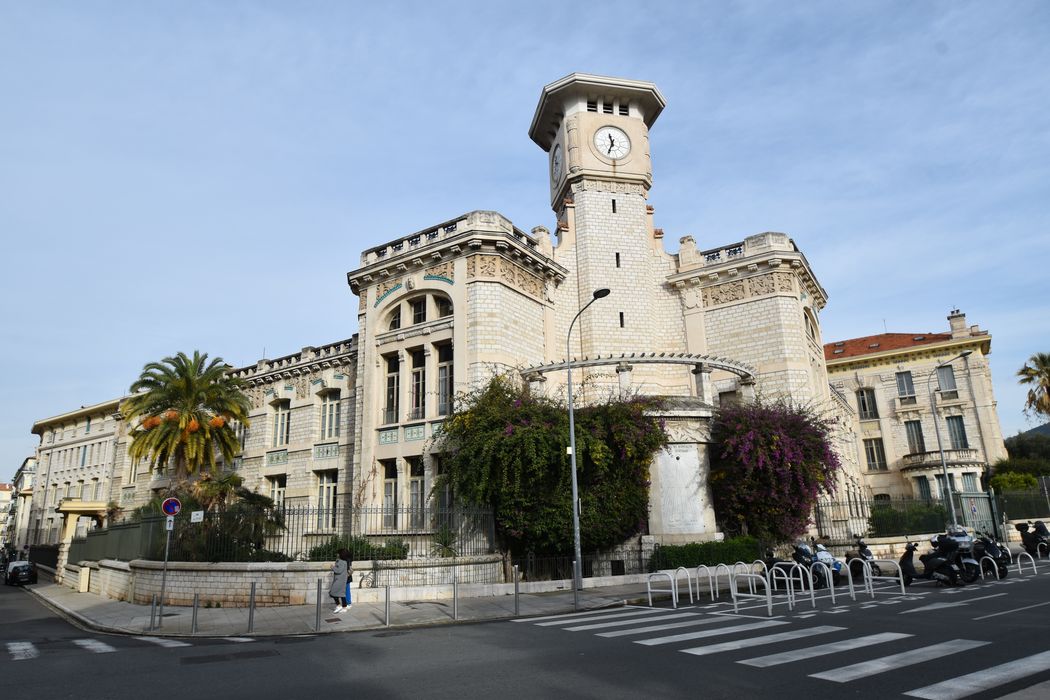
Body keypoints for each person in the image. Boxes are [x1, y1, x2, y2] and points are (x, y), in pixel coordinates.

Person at [329, 548, 349, 613]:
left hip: (339, 580)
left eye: (338, 553)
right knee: (341, 594)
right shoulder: (342, 561)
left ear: (341, 554)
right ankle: (344, 607)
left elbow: (338, 570)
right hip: (341, 580)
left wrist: (332, 567)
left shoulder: (341, 562)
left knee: (333, 593)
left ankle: (339, 605)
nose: (337, 554)